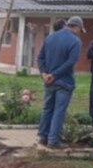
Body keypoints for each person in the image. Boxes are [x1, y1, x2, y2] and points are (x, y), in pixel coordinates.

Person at [36, 16, 83, 148]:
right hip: (64, 81)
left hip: (49, 81)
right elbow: (71, 62)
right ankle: (53, 141)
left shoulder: (50, 38)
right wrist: (54, 75)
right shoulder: (75, 41)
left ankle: (43, 137)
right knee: (59, 111)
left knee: (47, 109)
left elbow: (40, 58)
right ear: (77, 27)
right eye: (80, 29)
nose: (79, 32)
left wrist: (44, 73)